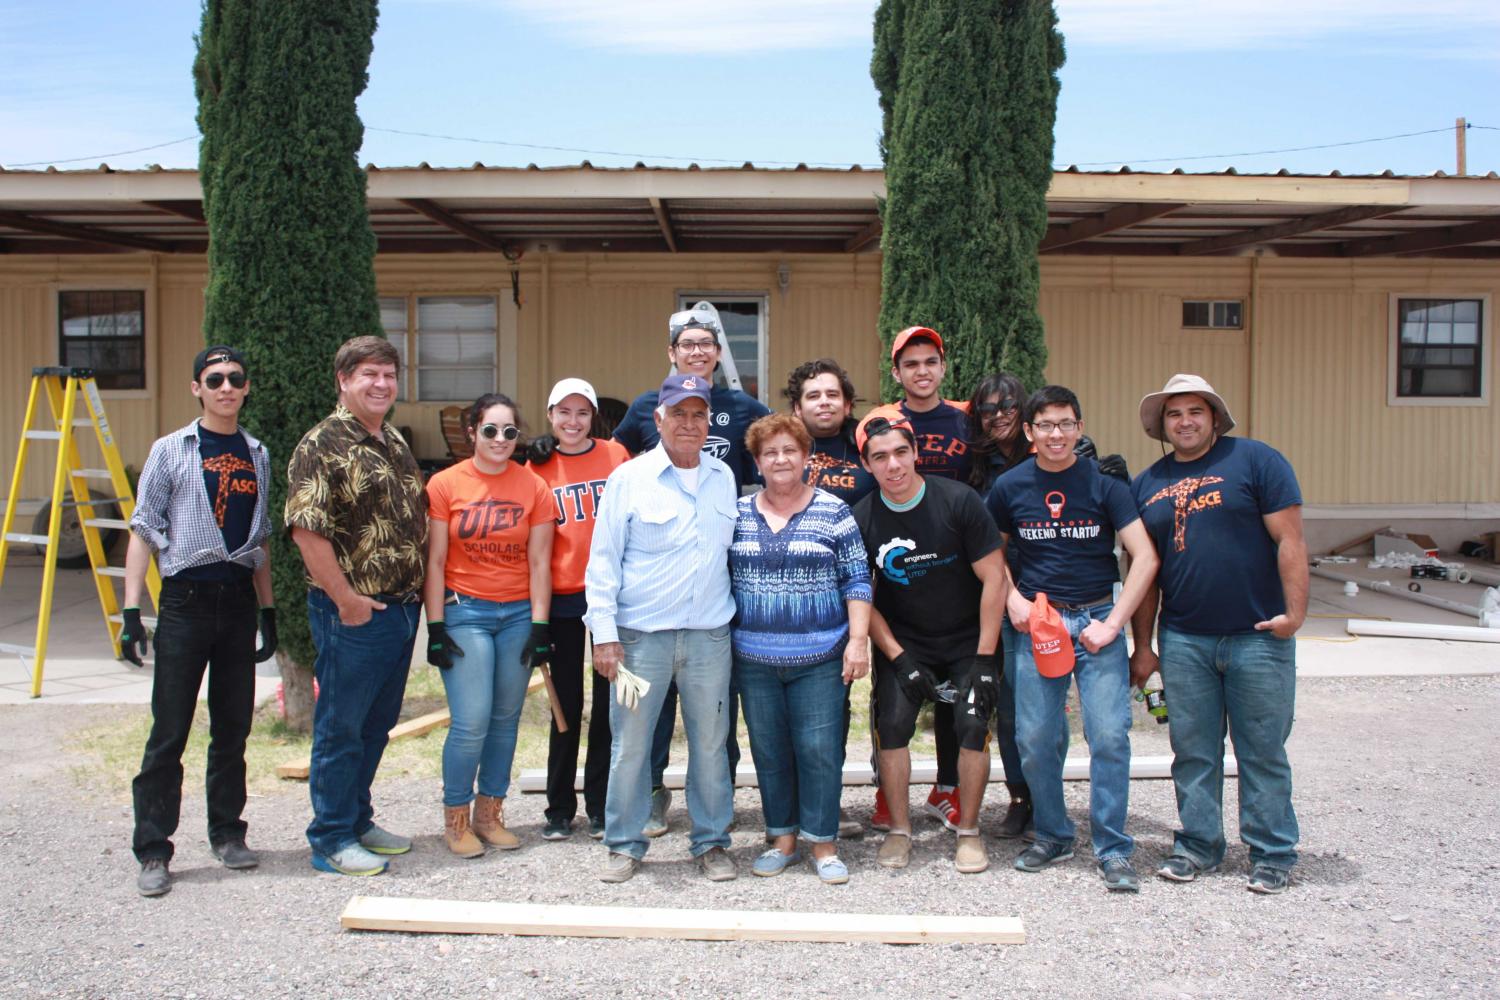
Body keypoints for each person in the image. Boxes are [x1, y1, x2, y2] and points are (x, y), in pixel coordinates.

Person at [1129, 374, 1307, 894]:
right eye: (1174, 414)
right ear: (1162, 425)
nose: (1184, 421)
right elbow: (1146, 572)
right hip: (1185, 639)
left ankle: (1272, 851)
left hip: (1258, 635)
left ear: (1214, 418)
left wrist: (1295, 616)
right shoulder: (1148, 484)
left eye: (1194, 412)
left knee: (1262, 749)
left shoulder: (1257, 461)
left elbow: (1290, 540)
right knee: (1193, 750)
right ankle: (1199, 845)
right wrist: (1145, 646)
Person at [985, 385, 1160, 892]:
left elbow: (1144, 558)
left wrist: (1115, 623)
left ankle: (1113, 847)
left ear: (1079, 428)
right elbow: (990, 554)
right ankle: (1054, 834)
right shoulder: (1011, 486)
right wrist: (1013, 600)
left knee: (1108, 735)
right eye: (1045, 425)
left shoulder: (1106, 486)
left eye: (1065, 424)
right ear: (1029, 433)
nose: (1055, 434)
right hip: (1039, 623)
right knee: (1036, 739)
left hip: (1097, 624)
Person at [123, 345, 275, 897]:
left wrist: (268, 610)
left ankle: (228, 833)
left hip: (236, 601)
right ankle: (154, 848)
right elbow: (143, 528)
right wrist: (130, 610)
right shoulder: (171, 450)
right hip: (184, 602)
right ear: (197, 388)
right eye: (215, 379)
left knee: (233, 727)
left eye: (236, 378)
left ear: (246, 386)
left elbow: (259, 543)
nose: (226, 387)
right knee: (169, 732)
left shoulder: (257, 453)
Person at [612, 302, 769, 838]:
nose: (698, 351)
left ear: (718, 353)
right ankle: (643, 811)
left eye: (706, 344)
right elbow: (609, 466)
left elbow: (771, 466)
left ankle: (712, 826)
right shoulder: (640, 416)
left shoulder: (744, 412)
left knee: (712, 730)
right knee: (640, 730)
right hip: (645, 625)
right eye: (687, 345)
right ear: (672, 354)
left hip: (711, 615)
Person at [585, 373, 740, 883]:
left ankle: (712, 842)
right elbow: (602, 562)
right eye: (679, 413)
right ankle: (624, 844)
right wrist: (603, 637)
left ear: (708, 421)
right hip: (638, 642)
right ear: (659, 419)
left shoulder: (723, 477)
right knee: (630, 745)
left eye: (699, 414)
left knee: (711, 744)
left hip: (708, 641)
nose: (689, 424)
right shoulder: (628, 479)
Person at [286, 335, 427, 877]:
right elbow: (306, 530)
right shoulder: (321, 444)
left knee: (375, 724)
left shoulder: (390, 438)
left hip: (398, 611)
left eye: (389, 374)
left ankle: (358, 818)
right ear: (343, 381)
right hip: (352, 613)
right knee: (342, 726)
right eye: (368, 374)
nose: (381, 384)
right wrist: (346, 601)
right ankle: (330, 838)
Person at [852, 411, 1010, 874]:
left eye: (901, 452)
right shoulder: (863, 519)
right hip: (907, 642)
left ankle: (969, 832)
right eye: (880, 457)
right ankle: (900, 831)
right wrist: (899, 660)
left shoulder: (957, 501)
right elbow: (862, 597)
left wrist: (984, 658)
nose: (894, 465)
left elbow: (995, 580)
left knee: (972, 725)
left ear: (916, 453)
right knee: (895, 725)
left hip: (967, 642)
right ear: (867, 465)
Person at [730, 413, 872, 885]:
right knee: (769, 751)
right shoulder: (736, 513)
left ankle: (824, 843)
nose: (781, 459)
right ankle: (782, 839)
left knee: (819, 750)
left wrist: (857, 641)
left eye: (790, 449)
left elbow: (857, 578)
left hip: (820, 657)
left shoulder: (834, 511)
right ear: (756, 462)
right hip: (753, 659)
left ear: (807, 456)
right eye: (770, 452)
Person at [423, 393, 554, 857]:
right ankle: (456, 817)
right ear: (474, 431)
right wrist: (436, 626)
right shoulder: (444, 484)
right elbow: (435, 560)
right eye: (491, 430)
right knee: (472, 720)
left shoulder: (534, 487)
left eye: (510, 432)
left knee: (504, 720)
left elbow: (540, 562)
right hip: (466, 611)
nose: (500, 440)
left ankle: (489, 812)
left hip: (518, 613)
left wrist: (541, 628)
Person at [870, 326, 972, 832]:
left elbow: (993, 463)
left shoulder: (964, 417)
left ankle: (948, 789)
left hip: (954, 554)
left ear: (942, 365)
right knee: (889, 701)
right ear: (896, 372)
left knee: (959, 699)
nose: (922, 371)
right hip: (896, 561)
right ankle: (887, 795)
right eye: (910, 364)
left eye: (930, 360)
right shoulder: (882, 422)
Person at [526, 378, 631, 841]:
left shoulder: (615, 456)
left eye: (582, 413)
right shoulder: (535, 462)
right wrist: (538, 617)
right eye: (563, 412)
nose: (572, 422)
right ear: (550, 415)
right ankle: (559, 808)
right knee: (565, 705)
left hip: (611, 596)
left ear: (595, 417)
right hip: (563, 597)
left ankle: (602, 804)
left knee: (611, 707)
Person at [963, 371, 1034, 841]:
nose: (999, 416)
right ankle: (1020, 798)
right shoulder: (976, 465)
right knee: (1004, 709)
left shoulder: (1051, 454)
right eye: (988, 409)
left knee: (1036, 711)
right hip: (993, 596)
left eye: (1008, 405)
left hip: (1045, 596)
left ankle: (1044, 797)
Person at [786, 358, 876, 506]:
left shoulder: (869, 448)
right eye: (813, 396)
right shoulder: (780, 452)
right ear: (798, 408)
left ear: (847, 405)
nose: (824, 402)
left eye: (832, 395)